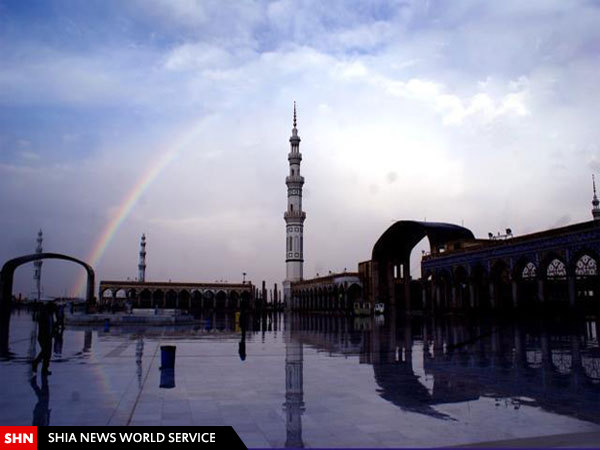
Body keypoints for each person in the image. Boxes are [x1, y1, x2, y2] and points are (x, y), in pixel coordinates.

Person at [32, 302, 55, 375]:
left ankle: (44, 369)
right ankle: (36, 363)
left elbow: (52, 325)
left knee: (48, 354)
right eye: (53, 309)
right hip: (43, 337)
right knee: (45, 352)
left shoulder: (51, 315)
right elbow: (42, 325)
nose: (54, 310)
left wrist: (53, 332)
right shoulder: (44, 314)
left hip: (49, 337)